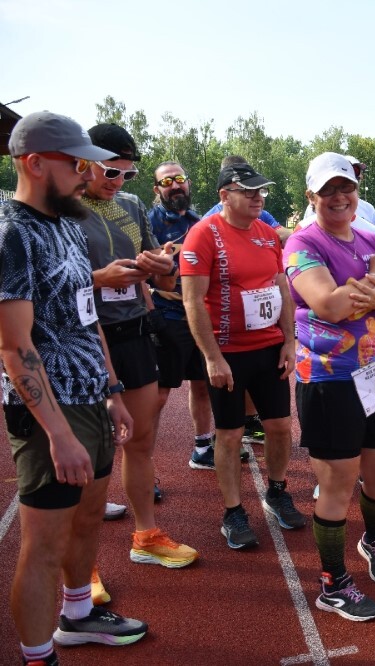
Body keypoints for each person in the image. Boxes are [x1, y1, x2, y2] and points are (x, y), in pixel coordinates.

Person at [2, 111, 148, 665]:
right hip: (49, 412)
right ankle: (38, 656)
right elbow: (15, 346)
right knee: (42, 546)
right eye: (77, 163)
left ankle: (78, 615)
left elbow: (84, 318)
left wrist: (111, 388)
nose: (88, 174)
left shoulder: (65, 222)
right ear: (36, 163)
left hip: (91, 395)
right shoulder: (11, 234)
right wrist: (59, 434)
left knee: (88, 520)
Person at [284, 152, 375, 621]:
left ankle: (374, 541)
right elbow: (331, 305)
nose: (339, 198)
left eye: (346, 189)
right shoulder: (301, 245)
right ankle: (332, 583)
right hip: (328, 380)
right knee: (336, 484)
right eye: (328, 190)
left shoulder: (368, 236)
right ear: (312, 196)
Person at [79, 125, 198, 574]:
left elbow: (160, 271)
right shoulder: (61, 211)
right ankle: (82, 568)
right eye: (110, 171)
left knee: (140, 440)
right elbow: (41, 288)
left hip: (132, 330)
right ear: (83, 160)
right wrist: (98, 279)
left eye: (126, 175)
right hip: (82, 338)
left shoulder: (129, 206)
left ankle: (146, 536)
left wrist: (161, 264)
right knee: (89, 454)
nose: (116, 182)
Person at [181, 161, 306, 550]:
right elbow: (192, 301)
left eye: (260, 191)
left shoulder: (268, 234)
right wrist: (212, 357)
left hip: (269, 348)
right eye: (247, 191)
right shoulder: (203, 235)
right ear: (224, 196)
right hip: (229, 352)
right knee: (231, 434)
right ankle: (233, 512)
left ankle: (277, 491)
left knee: (281, 427)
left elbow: (281, 287)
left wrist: (289, 340)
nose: (257, 197)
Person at [147, 161, 221, 470]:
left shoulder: (197, 221)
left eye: (180, 179)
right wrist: (154, 315)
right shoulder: (149, 223)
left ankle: (203, 448)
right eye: (167, 182)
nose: (175, 185)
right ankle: (143, 463)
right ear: (157, 189)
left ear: (188, 183)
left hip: (199, 315)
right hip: (168, 315)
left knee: (202, 385)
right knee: (159, 394)